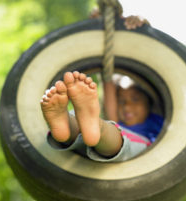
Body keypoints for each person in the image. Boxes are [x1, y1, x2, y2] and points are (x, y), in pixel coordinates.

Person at [40, 16, 163, 162]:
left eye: (135, 99)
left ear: (149, 102)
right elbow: (108, 77)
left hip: (141, 149)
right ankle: (67, 124)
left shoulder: (157, 120)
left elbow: (157, 70)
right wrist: (104, 21)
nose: (127, 106)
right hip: (98, 147)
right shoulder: (117, 120)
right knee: (95, 130)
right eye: (121, 102)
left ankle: (93, 127)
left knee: (113, 134)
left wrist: (142, 32)